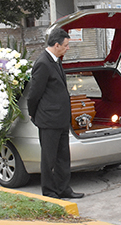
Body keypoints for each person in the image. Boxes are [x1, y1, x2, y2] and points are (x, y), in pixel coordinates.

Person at [26, 28, 84, 199]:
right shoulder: (43, 63)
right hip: (48, 120)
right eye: (65, 45)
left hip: (61, 119)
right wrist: (33, 115)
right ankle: (50, 191)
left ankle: (64, 188)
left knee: (63, 157)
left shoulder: (56, 61)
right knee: (49, 159)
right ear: (56, 45)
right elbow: (34, 94)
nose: (68, 48)